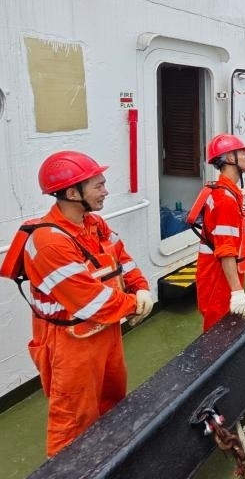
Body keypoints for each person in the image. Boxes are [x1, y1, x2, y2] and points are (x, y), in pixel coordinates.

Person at [22, 151, 153, 457]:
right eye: (98, 185)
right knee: (73, 421)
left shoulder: (94, 224)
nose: (106, 191)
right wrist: (134, 305)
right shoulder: (48, 242)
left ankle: (108, 459)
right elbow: (89, 301)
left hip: (106, 332)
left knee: (113, 400)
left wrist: (141, 288)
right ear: (72, 193)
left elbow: (122, 260)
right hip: (70, 344)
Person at [193, 134, 245, 331]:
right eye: (242, 152)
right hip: (218, 278)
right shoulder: (225, 200)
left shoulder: (225, 192)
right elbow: (226, 249)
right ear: (230, 158)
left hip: (219, 273)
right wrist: (236, 291)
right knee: (218, 331)